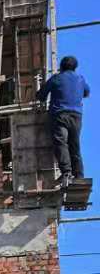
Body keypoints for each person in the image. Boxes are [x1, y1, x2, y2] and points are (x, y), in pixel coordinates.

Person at [38, 55, 90, 184]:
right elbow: (86, 92)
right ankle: (79, 175)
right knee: (74, 145)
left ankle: (66, 172)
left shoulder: (56, 78)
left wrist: (39, 94)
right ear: (75, 67)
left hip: (60, 115)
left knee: (61, 143)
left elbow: (41, 95)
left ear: (61, 66)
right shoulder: (80, 79)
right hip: (76, 116)